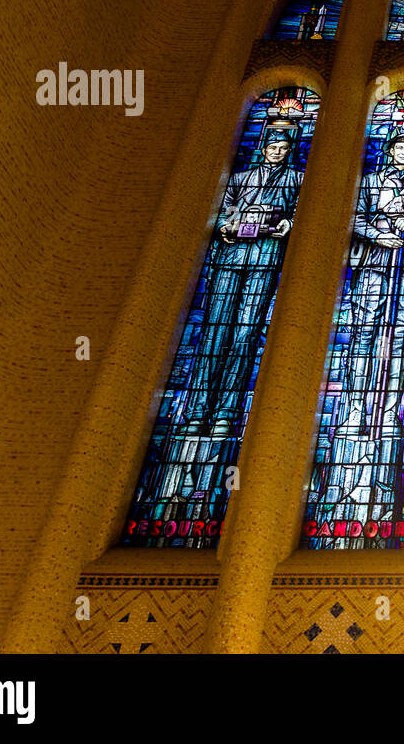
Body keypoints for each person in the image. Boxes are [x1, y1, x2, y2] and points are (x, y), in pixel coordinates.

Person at [158, 119, 303, 517]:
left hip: (265, 257)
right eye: (272, 145)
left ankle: (225, 412)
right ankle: (197, 410)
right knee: (214, 335)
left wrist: (285, 224)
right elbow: (221, 214)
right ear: (263, 147)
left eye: (283, 147)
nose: (277, 151)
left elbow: (298, 214)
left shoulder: (296, 179)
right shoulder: (239, 178)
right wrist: (227, 225)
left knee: (245, 335)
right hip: (231, 255)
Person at [317, 129, 404, 524]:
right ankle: (355, 406)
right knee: (364, 334)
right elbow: (352, 214)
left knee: (399, 335)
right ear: (390, 150)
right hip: (372, 261)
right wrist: (378, 234)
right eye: (399, 146)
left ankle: (388, 409)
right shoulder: (369, 181)